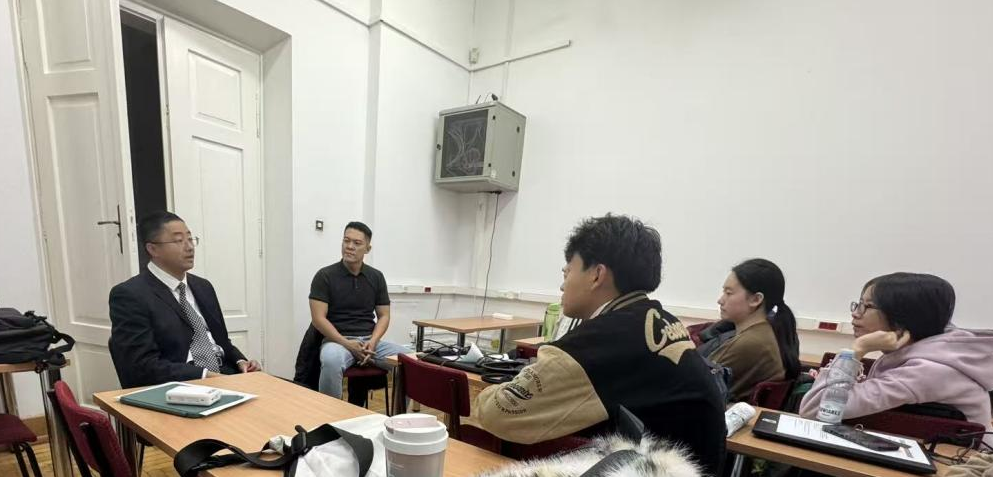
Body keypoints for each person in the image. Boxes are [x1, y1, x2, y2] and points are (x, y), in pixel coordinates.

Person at [471, 214, 726, 475]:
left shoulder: (602, 341)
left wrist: (489, 393)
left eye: (567, 272)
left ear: (596, 275)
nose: (562, 284)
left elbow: (498, 415)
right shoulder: (661, 320)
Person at [799, 272, 993, 445]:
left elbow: (815, 410)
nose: (855, 313)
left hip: (966, 463)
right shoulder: (924, 351)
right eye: (858, 304)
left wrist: (856, 351)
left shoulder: (928, 371)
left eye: (867, 306)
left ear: (903, 318)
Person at [109, 212, 260, 388]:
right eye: (179, 240)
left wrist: (240, 361)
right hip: (180, 386)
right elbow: (142, 366)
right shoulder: (130, 295)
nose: (189, 247)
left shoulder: (203, 287)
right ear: (153, 249)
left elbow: (221, 342)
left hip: (225, 377)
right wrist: (204, 375)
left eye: (190, 239)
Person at [300, 221, 408, 399]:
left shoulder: (376, 276)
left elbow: (384, 315)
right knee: (331, 361)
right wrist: (347, 343)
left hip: (369, 342)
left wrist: (373, 341)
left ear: (368, 249)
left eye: (357, 243)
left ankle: (400, 414)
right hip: (337, 341)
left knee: (409, 360)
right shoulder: (324, 276)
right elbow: (318, 319)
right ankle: (332, 415)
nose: (349, 246)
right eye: (346, 240)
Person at [698, 258, 801, 402]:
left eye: (729, 293)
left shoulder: (750, 343)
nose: (720, 300)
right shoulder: (768, 332)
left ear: (755, 300)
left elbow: (692, 383)